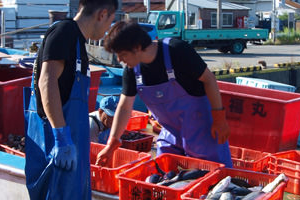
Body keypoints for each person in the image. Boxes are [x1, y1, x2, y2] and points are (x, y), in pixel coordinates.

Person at [95, 20, 232, 167]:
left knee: (214, 177)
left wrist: (219, 119)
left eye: (122, 54)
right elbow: (124, 107)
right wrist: (113, 142)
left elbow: (209, 80)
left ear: (137, 47)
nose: (119, 59)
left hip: (203, 132)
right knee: (163, 173)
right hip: (170, 134)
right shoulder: (132, 70)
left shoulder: (176, 50)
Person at [23, 0, 117, 199]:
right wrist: (61, 137)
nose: (108, 29)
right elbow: (46, 81)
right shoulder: (64, 32)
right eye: (110, 21)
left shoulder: (77, 43)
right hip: (57, 151)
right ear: (102, 14)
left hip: (73, 155)